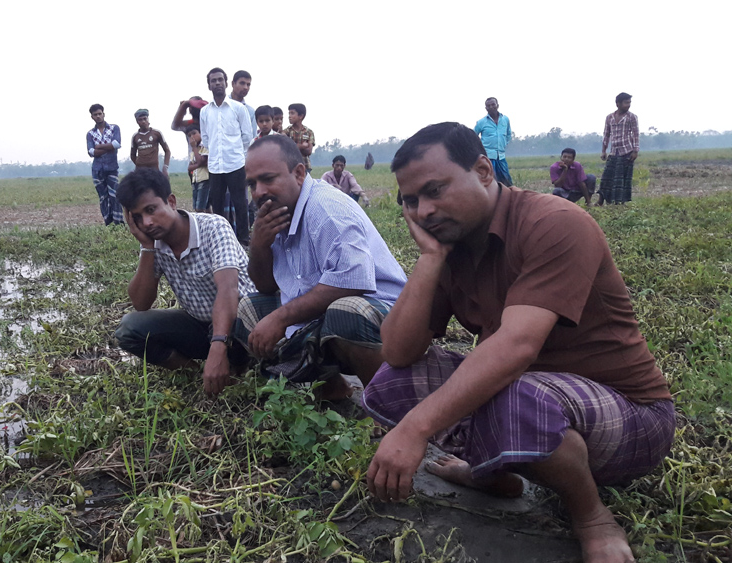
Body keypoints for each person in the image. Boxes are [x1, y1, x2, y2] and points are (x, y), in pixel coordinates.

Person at [363, 122, 674, 563]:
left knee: (512, 392)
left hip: (632, 419)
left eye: (435, 190)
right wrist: (430, 260)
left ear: (485, 171)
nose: (424, 210)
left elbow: (515, 349)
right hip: (531, 400)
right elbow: (397, 352)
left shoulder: (555, 222)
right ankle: (493, 472)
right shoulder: (452, 245)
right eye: (411, 201)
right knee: (394, 380)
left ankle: (591, 514)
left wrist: (414, 429)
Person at [237, 135, 407, 401]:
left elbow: (354, 281)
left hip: (384, 314)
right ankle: (332, 388)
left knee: (347, 312)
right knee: (250, 308)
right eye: (252, 184)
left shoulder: (326, 209)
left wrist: (281, 318)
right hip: (324, 312)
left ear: (299, 173)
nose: (258, 192)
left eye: (268, 179)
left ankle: (385, 401)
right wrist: (259, 245)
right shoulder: (277, 214)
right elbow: (267, 286)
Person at [114, 168, 256, 396]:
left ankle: (235, 364)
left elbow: (228, 290)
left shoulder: (213, 228)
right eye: (138, 217)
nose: (147, 222)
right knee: (130, 328)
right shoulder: (155, 242)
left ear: (171, 202)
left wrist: (218, 345)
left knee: (232, 327)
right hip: (200, 323)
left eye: (151, 210)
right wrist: (147, 247)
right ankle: (196, 372)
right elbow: (141, 304)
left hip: (241, 320)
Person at [200, 67, 253, 245]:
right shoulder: (205, 112)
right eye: (213, 80)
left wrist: (240, 157)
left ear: (226, 82)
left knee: (240, 203)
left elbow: (247, 137)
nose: (217, 83)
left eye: (220, 80)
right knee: (218, 205)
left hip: (236, 163)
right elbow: (206, 140)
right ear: (209, 85)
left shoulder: (238, 109)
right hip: (215, 165)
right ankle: (220, 240)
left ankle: (243, 239)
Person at [86, 104, 123, 226]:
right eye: (95, 114)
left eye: (99, 113)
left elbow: (117, 144)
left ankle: (119, 222)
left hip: (112, 168)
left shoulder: (114, 128)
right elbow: (91, 152)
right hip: (97, 170)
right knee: (103, 198)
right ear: (92, 117)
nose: (98, 116)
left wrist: (99, 147)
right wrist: (109, 147)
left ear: (103, 114)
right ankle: (108, 222)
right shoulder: (90, 134)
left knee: (115, 195)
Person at [599, 93, 639, 205]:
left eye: (629, 103)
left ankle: (620, 203)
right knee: (607, 178)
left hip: (626, 151)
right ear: (618, 104)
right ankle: (601, 200)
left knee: (622, 180)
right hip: (613, 152)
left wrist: (635, 151)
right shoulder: (609, 118)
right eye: (626, 102)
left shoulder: (632, 117)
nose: (628, 105)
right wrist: (603, 150)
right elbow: (606, 134)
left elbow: (636, 134)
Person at [474, 97, 513, 186]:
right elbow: (473, 136)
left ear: (497, 105)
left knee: (506, 181)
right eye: (488, 106)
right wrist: (479, 148)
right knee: (490, 181)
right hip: (488, 156)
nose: (491, 107)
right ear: (485, 108)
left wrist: (504, 144)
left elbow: (508, 134)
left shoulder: (505, 119)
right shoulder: (481, 122)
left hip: (501, 156)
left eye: (493, 105)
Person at [283, 103, 315, 174]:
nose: (289, 116)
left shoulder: (309, 132)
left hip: (305, 166)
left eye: (292, 113)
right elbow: (286, 148)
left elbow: (309, 151)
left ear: (300, 116)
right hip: (290, 166)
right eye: (289, 113)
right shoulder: (286, 131)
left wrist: (293, 145)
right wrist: (302, 146)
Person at [186, 128, 210, 212]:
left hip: (204, 180)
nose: (192, 137)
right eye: (189, 136)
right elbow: (189, 167)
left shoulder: (205, 147)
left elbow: (201, 161)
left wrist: (194, 148)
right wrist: (199, 164)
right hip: (195, 180)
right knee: (204, 207)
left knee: (200, 208)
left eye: (194, 133)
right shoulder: (193, 152)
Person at [230, 70, 257, 137]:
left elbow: (252, 137)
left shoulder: (250, 112)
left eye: (248, 84)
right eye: (242, 83)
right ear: (233, 84)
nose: (245, 87)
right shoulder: (221, 106)